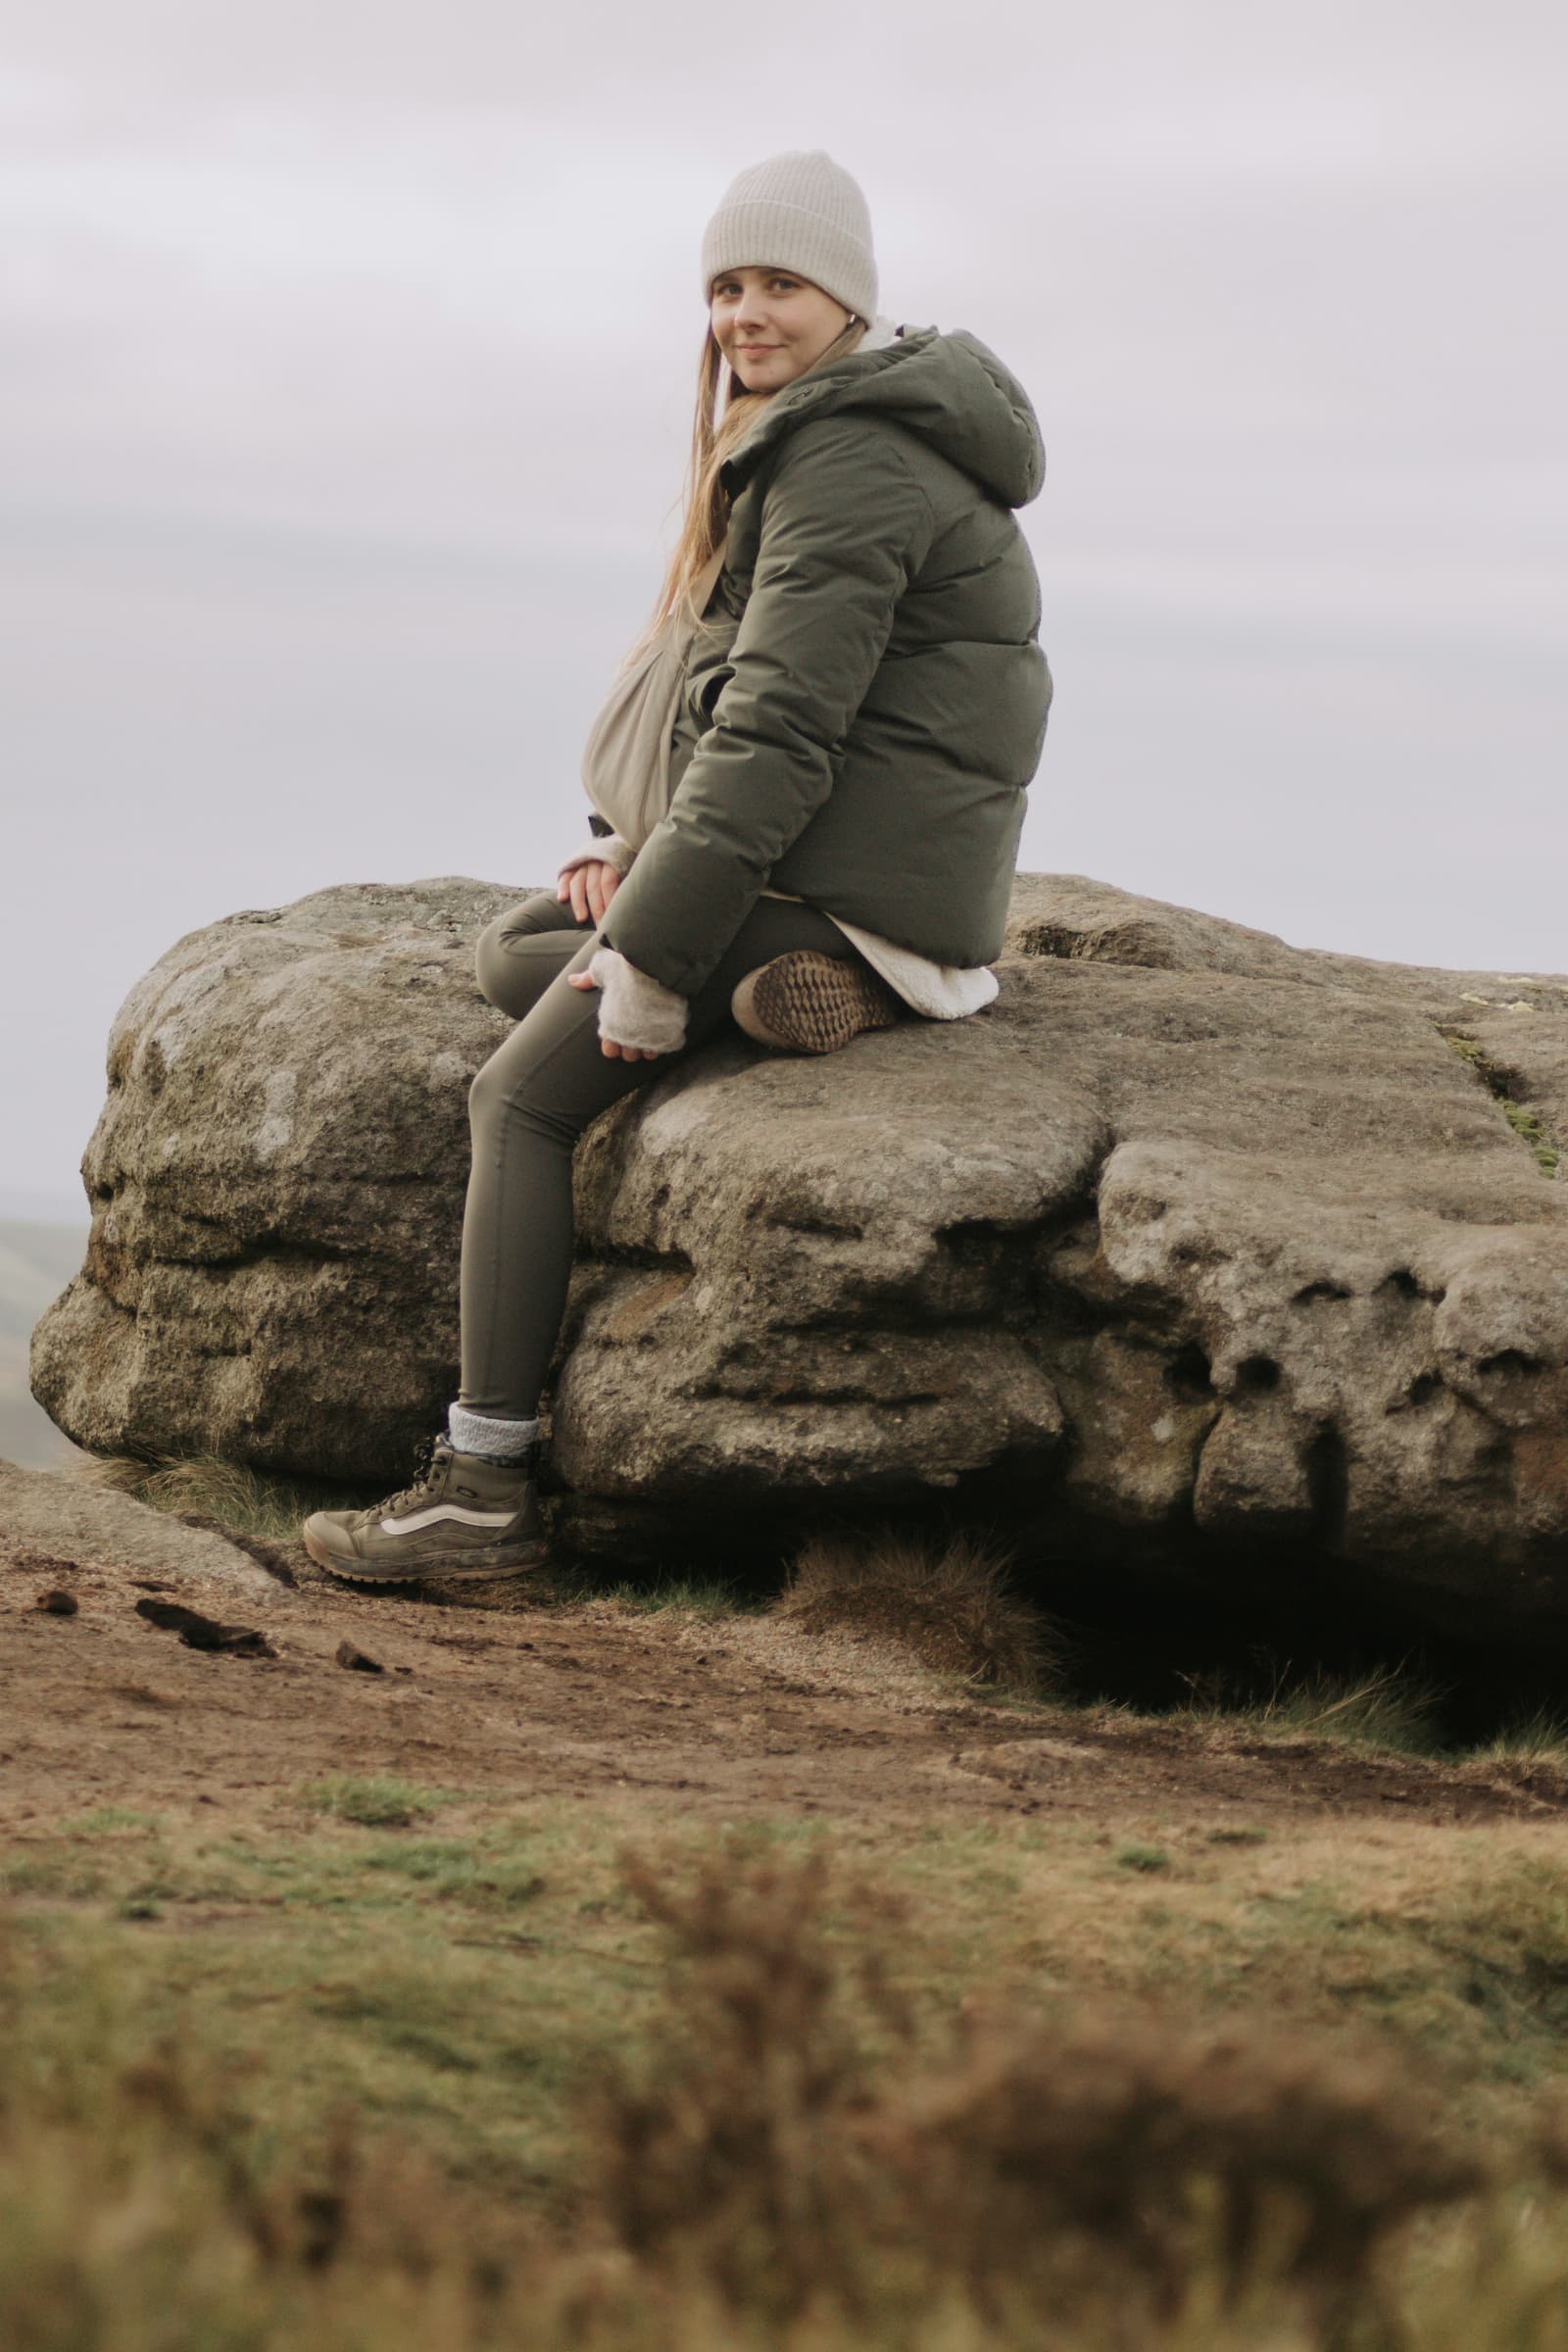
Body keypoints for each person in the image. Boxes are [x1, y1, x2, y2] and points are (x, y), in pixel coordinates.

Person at [301, 149, 1052, 1585]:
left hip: (838, 875)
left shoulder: (852, 457)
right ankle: (783, 979)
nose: (744, 313)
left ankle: (479, 1490)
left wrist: (650, 959)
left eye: (779, 283)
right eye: (725, 285)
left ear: (847, 296)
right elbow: (721, 688)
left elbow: (779, 733)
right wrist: (627, 852)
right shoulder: (826, 430)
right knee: (514, 947)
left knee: (516, 1095)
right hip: (837, 880)